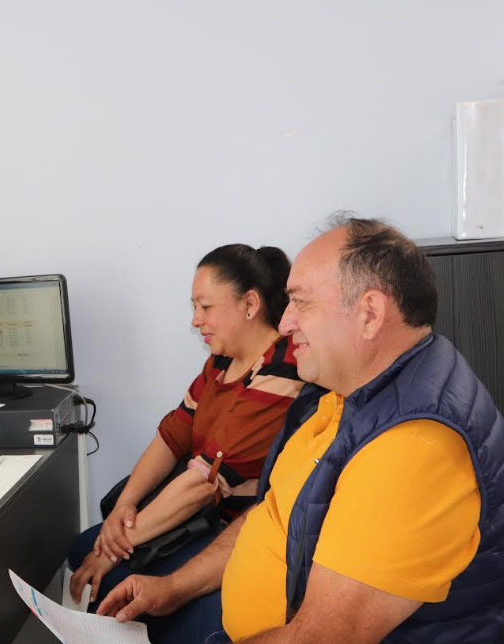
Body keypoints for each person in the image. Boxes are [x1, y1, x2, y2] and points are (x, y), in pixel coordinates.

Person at [97, 215, 504, 644]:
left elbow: (323, 637)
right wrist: (173, 587)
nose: (285, 322)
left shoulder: (413, 448)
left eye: (301, 302)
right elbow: (274, 512)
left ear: (369, 314)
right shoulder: (343, 392)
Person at [68, 244, 305, 641]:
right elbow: (172, 436)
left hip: (231, 530)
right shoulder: (221, 362)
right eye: (194, 307)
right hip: (198, 519)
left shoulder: (283, 369)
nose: (196, 320)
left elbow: (204, 483)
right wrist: (125, 503)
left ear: (250, 304)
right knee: (84, 548)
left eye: (205, 307)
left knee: (107, 569)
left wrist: (114, 547)